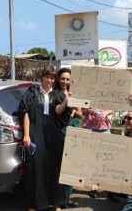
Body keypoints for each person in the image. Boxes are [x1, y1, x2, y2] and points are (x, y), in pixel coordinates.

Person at [18, 67, 63, 211]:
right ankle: (33, 204)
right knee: (34, 170)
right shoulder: (33, 92)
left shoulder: (57, 94)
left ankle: (54, 203)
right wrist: (26, 135)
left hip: (53, 136)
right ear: (42, 77)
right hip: (36, 134)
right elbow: (25, 112)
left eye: (52, 78)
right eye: (47, 77)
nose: (49, 80)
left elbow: (64, 113)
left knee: (54, 168)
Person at [53, 68, 82, 209]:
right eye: (62, 78)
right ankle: (59, 200)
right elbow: (58, 110)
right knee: (60, 167)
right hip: (59, 133)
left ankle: (67, 198)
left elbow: (81, 113)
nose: (65, 81)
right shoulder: (55, 94)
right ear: (58, 79)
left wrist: (75, 112)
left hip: (72, 131)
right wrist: (67, 100)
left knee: (71, 166)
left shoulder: (73, 93)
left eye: (67, 79)